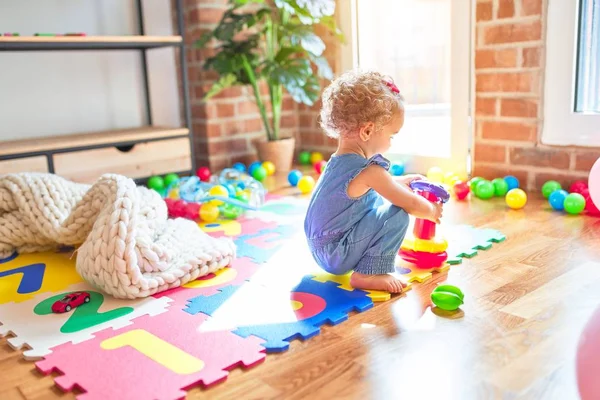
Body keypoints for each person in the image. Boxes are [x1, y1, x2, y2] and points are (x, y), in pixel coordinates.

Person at [304, 70, 443, 293]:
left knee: (378, 204)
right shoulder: (370, 171)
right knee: (396, 214)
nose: (391, 143)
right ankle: (367, 275)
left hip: (321, 247)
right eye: (392, 136)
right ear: (368, 131)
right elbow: (412, 204)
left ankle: (365, 269)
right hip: (338, 253)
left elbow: (367, 186)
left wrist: (400, 181)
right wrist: (431, 211)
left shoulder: (338, 162)